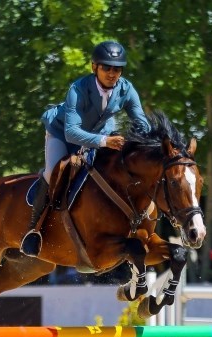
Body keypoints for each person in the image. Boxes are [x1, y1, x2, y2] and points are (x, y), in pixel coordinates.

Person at [20, 40, 151, 257]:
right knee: (54, 171)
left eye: (117, 69)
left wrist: (139, 141)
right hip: (62, 133)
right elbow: (72, 133)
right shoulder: (78, 89)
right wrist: (105, 142)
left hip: (100, 133)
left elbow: (142, 123)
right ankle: (33, 230)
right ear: (94, 67)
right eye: (106, 68)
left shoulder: (126, 90)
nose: (112, 73)